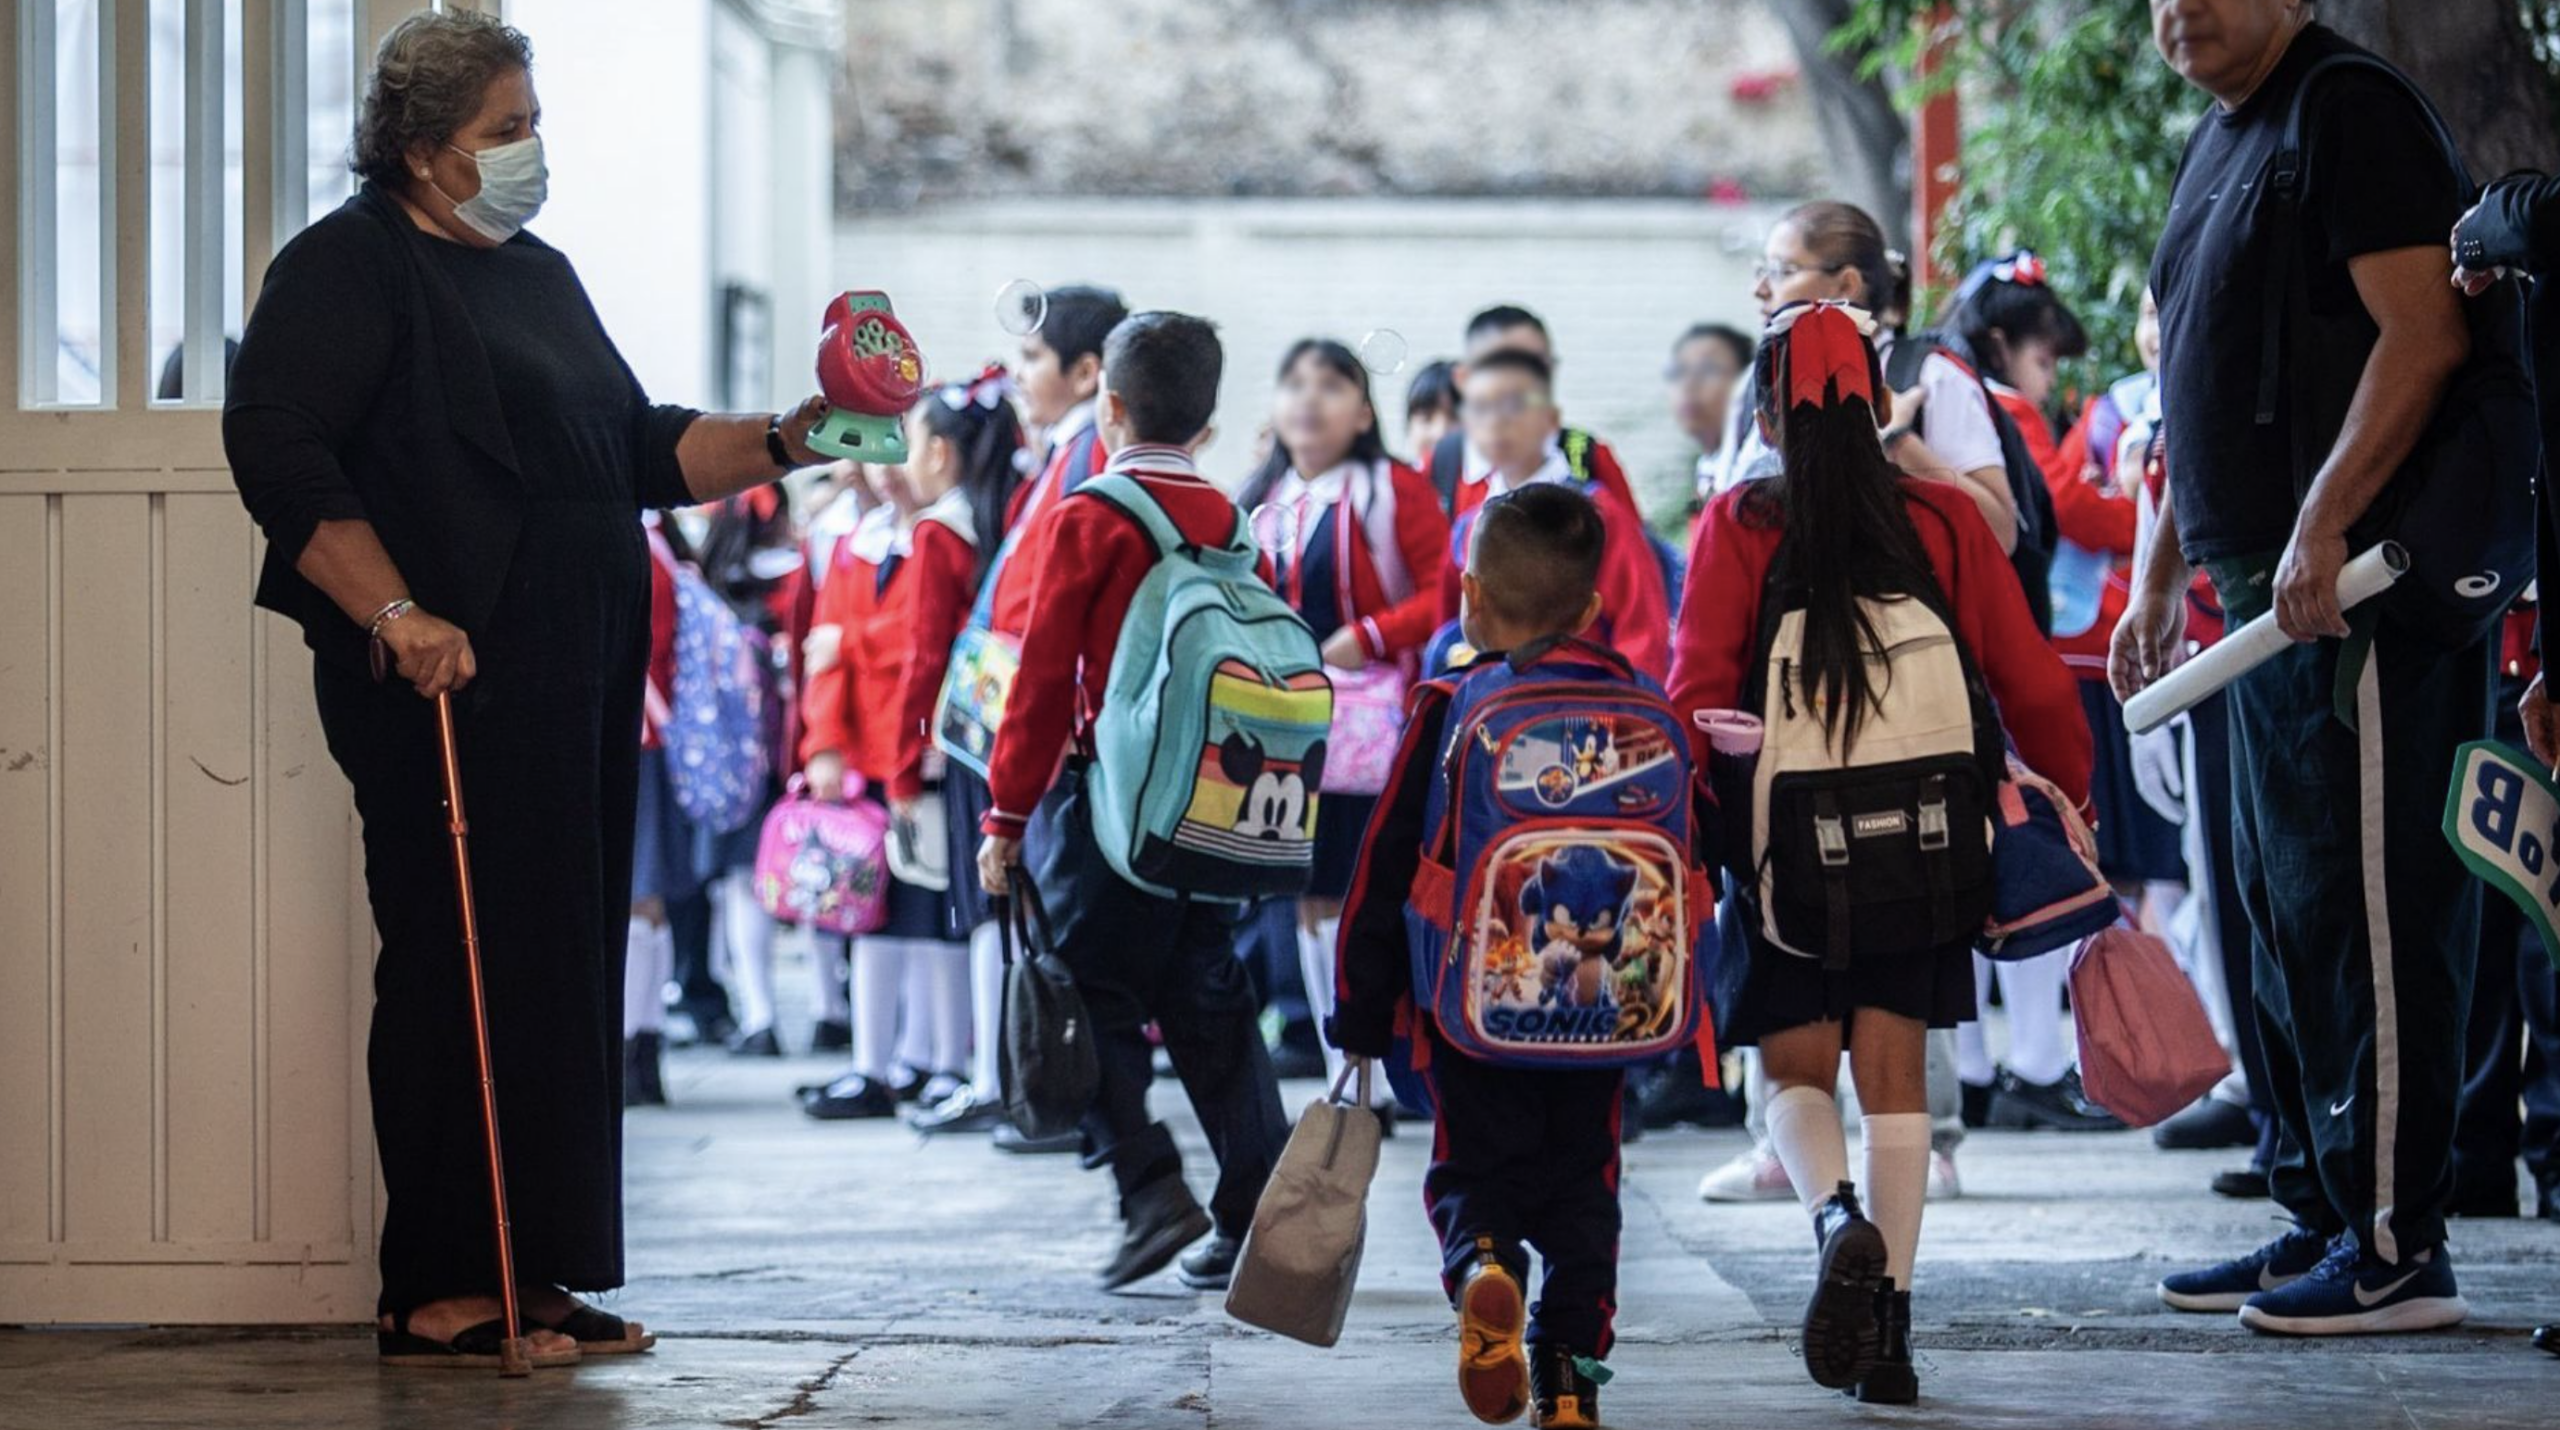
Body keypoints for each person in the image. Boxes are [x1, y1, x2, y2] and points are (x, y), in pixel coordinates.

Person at [221, 10, 828, 1365]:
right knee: (456, 966)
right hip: (446, 686)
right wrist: (394, 607)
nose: (533, 148)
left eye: (534, 121)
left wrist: (802, 432)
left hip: (569, 686)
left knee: (557, 970)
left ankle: (535, 1270)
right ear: (424, 147)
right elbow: (277, 447)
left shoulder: (537, 273)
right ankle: (439, 1286)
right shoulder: (347, 269)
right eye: (510, 127)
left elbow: (642, 448)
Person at [2122, 0, 2485, 1336]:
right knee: (2288, 915)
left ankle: (2399, 1248)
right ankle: (2327, 1210)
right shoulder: (2222, 136)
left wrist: (2324, 519)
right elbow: (2200, 379)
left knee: (2375, 915)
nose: (2181, 12)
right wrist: (2165, 567)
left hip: (2361, 594)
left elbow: (2425, 336)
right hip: (2254, 596)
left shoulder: (2351, 111)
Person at [1672, 301, 2091, 1404]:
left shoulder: (1738, 521)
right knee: (1894, 1075)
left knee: (1793, 1065)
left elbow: (1694, 693)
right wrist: (2063, 793)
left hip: (1783, 858)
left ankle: (1831, 1217)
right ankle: (1892, 1330)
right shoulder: (1944, 519)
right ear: (1878, 400)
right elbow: (2034, 681)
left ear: (1764, 408)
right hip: (1930, 843)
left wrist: (1700, 837)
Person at [973, 312, 1291, 1292]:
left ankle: (1149, 1183)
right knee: (1210, 999)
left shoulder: (1089, 513)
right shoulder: (1235, 521)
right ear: (1205, 419)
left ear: (1107, 404)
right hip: (1216, 800)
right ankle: (1256, 1209)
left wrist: (1006, 815)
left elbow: (1039, 678)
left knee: (1084, 990)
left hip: (1107, 809)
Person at [1329, 483, 1637, 1430]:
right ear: (1590, 612)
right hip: (1600, 1012)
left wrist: (1363, 1008)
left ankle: (1484, 1268)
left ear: (1468, 597)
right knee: (1588, 1202)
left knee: (1471, 1175)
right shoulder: (1636, 707)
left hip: (1475, 1011)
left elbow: (1383, 866)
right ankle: (1573, 1386)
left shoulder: (1454, 705)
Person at [1942, 255, 2131, 1135]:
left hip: (1957, 665)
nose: (2049, 380)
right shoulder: (2002, 412)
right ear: (2000, 345)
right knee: (2029, 852)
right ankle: (2033, 1063)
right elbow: (2073, 516)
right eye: (2045, 358)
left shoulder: (1943, 403)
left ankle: (1980, 1068)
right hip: (2019, 658)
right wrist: (2147, 508)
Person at [1236, 340, 1451, 1109]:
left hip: (1368, 730)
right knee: (1307, 892)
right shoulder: (1263, 497)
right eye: (1293, 382)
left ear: (1363, 412)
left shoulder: (1392, 490)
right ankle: (1339, 1054)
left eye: (1330, 385)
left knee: (1365, 889)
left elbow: (1444, 594)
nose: (1308, 399)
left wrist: (1368, 635)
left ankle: (1381, 1055)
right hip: (1282, 727)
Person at [798, 459, 970, 1119]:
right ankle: (873, 1064)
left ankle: (939, 1061)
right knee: (869, 916)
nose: (884, 473)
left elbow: (917, 644)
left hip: (922, 752)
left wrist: (854, 642)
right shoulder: (853, 546)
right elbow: (826, 655)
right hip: (866, 753)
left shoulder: (944, 537)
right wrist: (826, 745)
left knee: (934, 917)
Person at [899, 365, 1035, 1137]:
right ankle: (1020, 1073)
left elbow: (923, 662)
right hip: (1027, 732)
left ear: (944, 453)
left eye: (912, 441)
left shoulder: (938, 531)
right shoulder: (1016, 517)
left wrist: (906, 756)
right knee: (1019, 902)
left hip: (962, 741)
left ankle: (991, 1077)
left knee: (980, 909)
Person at [1433, 351, 1671, 681]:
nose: (1497, 420)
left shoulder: (1596, 513)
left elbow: (1642, 623)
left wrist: (1629, 702)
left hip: (1585, 701)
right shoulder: (1470, 522)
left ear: (1551, 418)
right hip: (1491, 702)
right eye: (1482, 407)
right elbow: (1448, 621)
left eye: (1515, 404)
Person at [1426, 305, 1642, 519]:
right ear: (1464, 380)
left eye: (1537, 367)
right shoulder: (1443, 461)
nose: (1521, 382)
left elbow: (1632, 545)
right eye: (1502, 367)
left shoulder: (1586, 455)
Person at [1673, 322, 1754, 537]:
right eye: (1680, 371)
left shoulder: (1757, 474)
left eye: (1709, 370)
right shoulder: (1707, 466)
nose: (1689, 385)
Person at [1405, 359, 1462, 464]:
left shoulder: (1497, 479)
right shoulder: (1389, 478)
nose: (1440, 433)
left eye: (1456, 417)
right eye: (1426, 418)